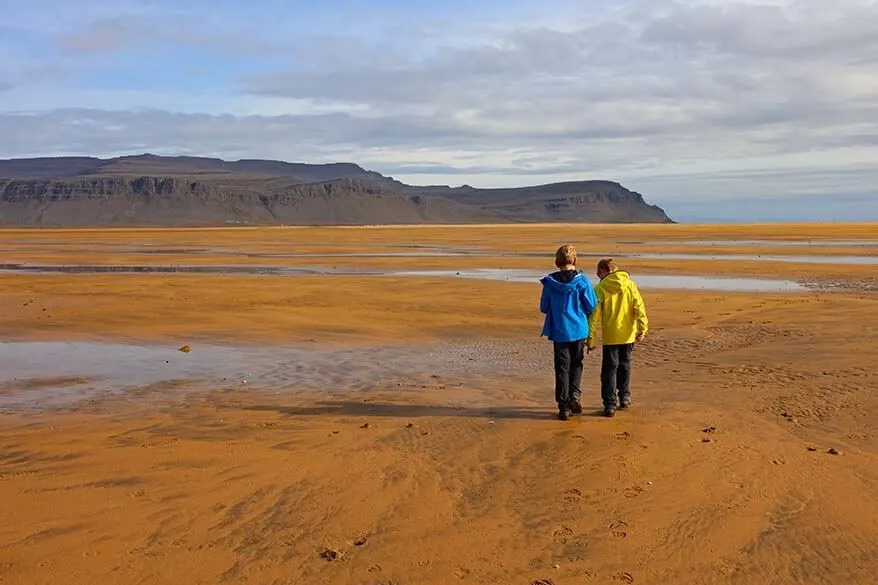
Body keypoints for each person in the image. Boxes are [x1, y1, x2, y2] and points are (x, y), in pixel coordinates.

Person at [540, 245, 598, 421]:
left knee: (562, 368)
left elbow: (544, 307)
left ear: (557, 262)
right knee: (576, 364)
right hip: (578, 329)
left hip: (560, 330)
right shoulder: (582, 281)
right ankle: (574, 395)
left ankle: (564, 406)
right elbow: (591, 305)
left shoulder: (550, 282)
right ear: (574, 260)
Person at [586, 258, 648, 417]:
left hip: (611, 336)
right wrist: (642, 328)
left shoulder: (600, 288)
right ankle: (624, 396)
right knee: (625, 365)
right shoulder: (630, 285)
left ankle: (609, 403)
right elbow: (639, 307)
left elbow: (594, 316)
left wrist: (590, 338)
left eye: (598, 272)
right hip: (627, 335)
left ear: (603, 271)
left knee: (609, 370)